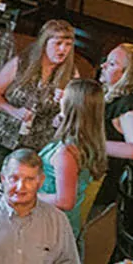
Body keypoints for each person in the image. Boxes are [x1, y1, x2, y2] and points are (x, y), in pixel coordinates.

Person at [0, 20, 78, 199]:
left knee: (21, 196)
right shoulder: (21, 63)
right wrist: (13, 111)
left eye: (68, 45)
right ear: (44, 43)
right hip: (1, 139)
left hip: (36, 146)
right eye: (58, 43)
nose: (63, 50)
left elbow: (70, 118)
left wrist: (63, 110)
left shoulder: (71, 75)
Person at [97, 44, 133, 257]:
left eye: (111, 64)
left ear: (127, 74)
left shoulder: (130, 104)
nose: (103, 66)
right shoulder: (111, 95)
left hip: (104, 181)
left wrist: (93, 144)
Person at [38, 78, 108, 240]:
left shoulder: (67, 153)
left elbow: (65, 201)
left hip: (53, 227)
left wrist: (27, 193)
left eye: (65, 96)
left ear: (73, 106)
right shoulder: (86, 140)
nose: (61, 98)